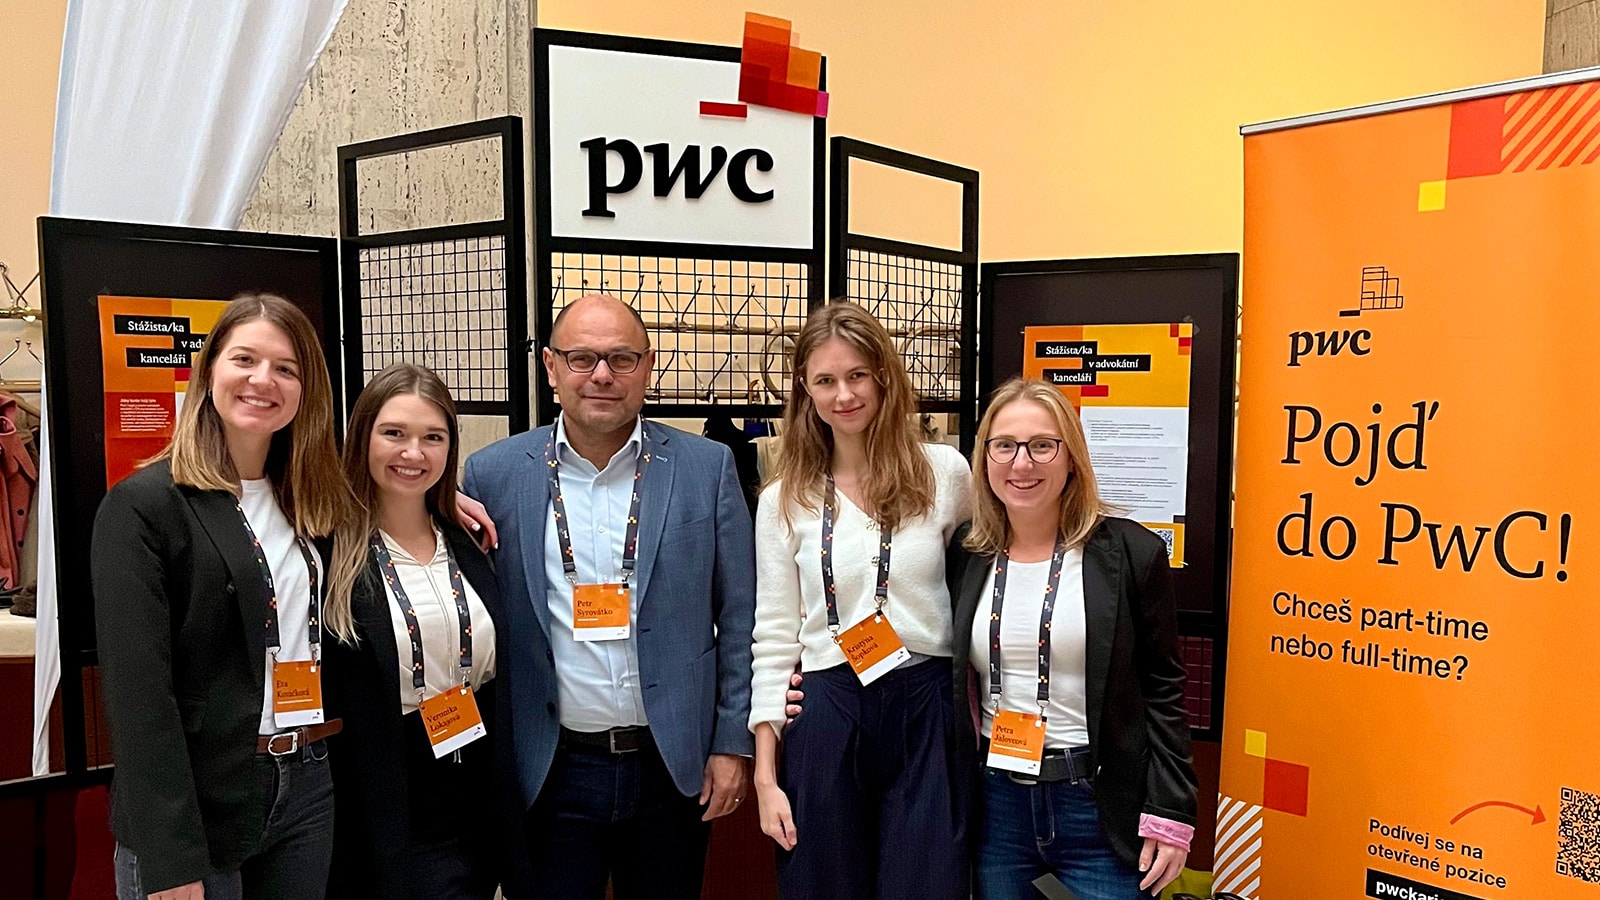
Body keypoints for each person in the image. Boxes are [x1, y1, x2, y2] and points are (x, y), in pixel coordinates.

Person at [461, 293, 756, 900]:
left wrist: (732, 741)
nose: (601, 375)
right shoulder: (493, 475)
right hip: (551, 769)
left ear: (647, 368)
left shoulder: (707, 468)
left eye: (622, 359)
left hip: (673, 766)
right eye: (582, 358)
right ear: (550, 367)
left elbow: (739, 616)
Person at [92, 293, 353, 900]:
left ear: (306, 391)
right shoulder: (145, 506)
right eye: (245, 360)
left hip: (305, 787)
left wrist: (446, 505)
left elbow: (396, 508)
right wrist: (169, 858)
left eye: (286, 368)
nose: (263, 380)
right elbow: (138, 698)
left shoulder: (314, 502)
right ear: (209, 371)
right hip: (196, 801)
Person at [750, 300, 972, 900]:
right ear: (805, 390)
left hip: (925, 704)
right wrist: (766, 776)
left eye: (857, 376)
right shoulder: (783, 499)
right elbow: (773, 634)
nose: (843, 395)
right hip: (828, 704)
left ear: (883, 377)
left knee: (926, 885)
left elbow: (982, 580)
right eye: (825, 380)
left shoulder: (944, 473)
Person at [949, 377, 1196, 899]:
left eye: (1042, 445)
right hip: (998, 805)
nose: (1022, 463)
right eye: (1004, 445)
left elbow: (1163, 689)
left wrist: (1171, 810)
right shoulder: (966, 556)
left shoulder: (1132, 553)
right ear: (985, 457)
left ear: (1072, 458)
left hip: (1098, 804)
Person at [321, 364, 519, 899]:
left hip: (473, 789)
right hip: (385, 797)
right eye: (395, 433)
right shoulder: (329, 547)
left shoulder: (468, 539)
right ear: (362, 436)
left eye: (433, 437)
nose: (414, 453)